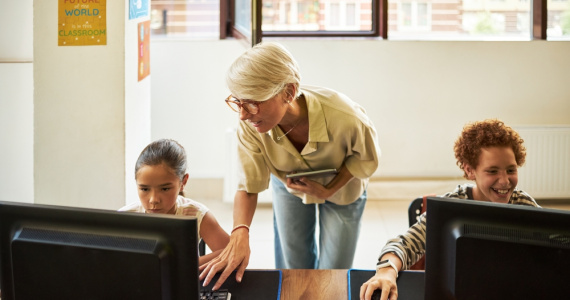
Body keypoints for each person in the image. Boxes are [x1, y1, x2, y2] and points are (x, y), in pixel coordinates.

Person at [200, 42, 380, 289]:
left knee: (333, 271)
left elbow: (366, 159)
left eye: (252, 102)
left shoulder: (346, 117)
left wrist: (329, 189)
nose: (242, 114)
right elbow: (248, 185)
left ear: (288, 92)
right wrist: (240, 231)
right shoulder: (250, 124)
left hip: (343, 188)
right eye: (238, 102)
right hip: (288, 186)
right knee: (293, 268)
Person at [359, 119, 540, 300]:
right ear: (470, 170)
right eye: (492, 171)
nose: (504, 180)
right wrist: (386, 271)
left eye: (511, 170)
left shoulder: (523, 205)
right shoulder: (451, 207)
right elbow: (403, 244)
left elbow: (557, 242)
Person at [119, 139, 230, 265]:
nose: (153, 200)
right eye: (144, 189)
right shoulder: (125, 217)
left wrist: (188, 266)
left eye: (165, 189)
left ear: (183, 182)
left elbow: (232, 252)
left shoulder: (196, 214)